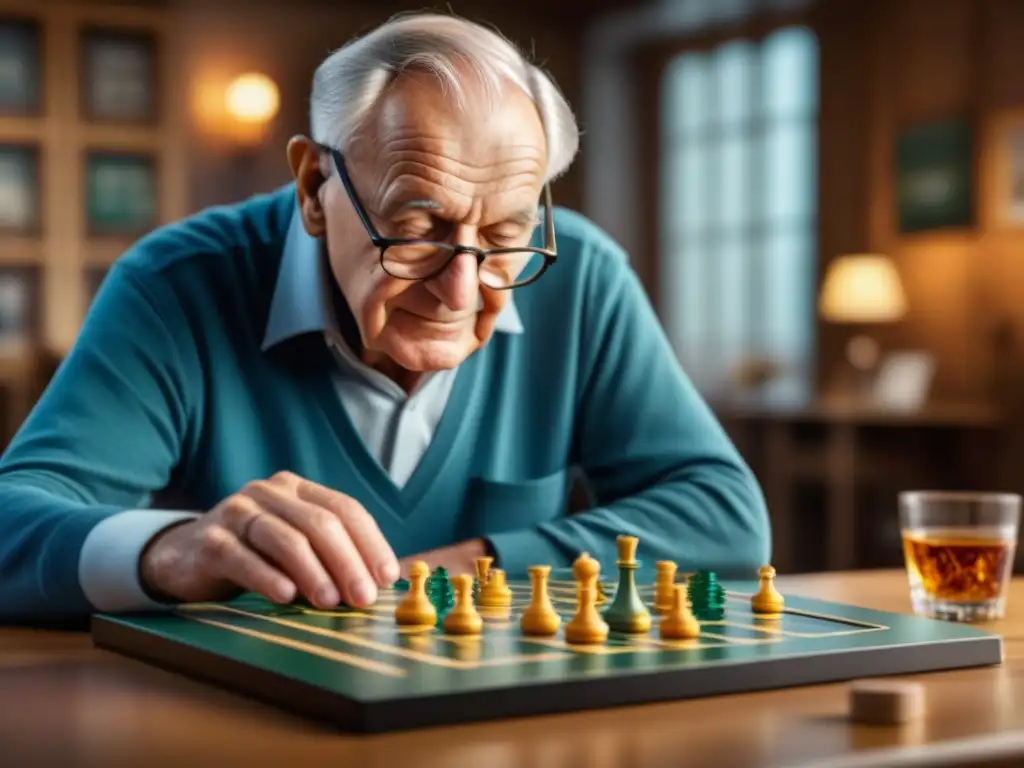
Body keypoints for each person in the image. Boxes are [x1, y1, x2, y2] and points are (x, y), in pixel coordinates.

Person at [0, 13, 769, 623]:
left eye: (504, 237)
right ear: (312, 187)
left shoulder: (584, 278)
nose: (462, 292)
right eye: (419, 228)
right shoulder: (179, 286)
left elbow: (725, 520)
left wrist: (482, 562)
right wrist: (172, 552)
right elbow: (12, 523)